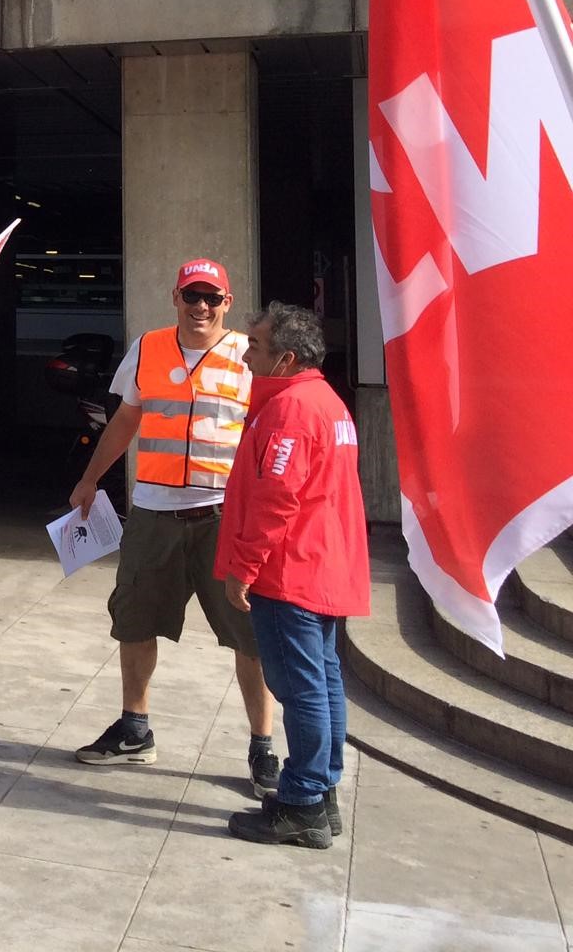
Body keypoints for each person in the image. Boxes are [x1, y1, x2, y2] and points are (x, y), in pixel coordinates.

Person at [68, 257, 278, 795]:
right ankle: (135, 730)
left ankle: (263, 748)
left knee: (248, 636)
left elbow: (272, 431)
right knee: (134, 621)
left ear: (227, 303)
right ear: (175, 297)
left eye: (212, 297)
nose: (200, 306)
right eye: (192, 296)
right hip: (154, 513)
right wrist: (91, 479)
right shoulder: (149, 347)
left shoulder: (248, 356)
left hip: (222, 517)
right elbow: (126, 420)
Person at [219, 303, 368, 849]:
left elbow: (276, 498)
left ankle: (303, 799)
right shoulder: (326, 403)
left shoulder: (291, 410)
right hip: (321, 568)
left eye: (254, 345)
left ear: (284, 358)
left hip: (291, 572)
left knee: (302, 689)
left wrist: (244, 568)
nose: (245, 350)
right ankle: (319, 790)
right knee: (323, 684)